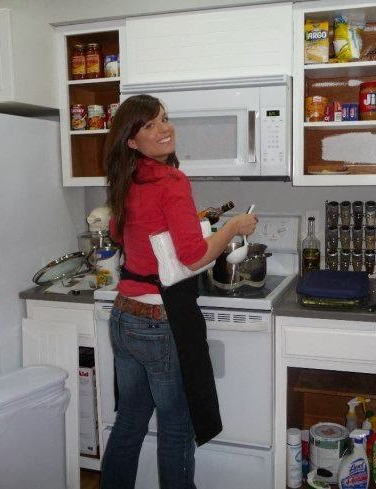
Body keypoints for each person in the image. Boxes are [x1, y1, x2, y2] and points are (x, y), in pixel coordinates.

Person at [100, 94, 257, 489]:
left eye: (164, 119)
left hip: (124, 316)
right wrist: (233, 227)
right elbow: (194, 256)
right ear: (131, 140)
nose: (163, 128)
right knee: (175, 427)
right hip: (159, 321)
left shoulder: (125, 178)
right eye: (149, 125)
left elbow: (120, 232)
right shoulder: (171, 181)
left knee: (130, 420)